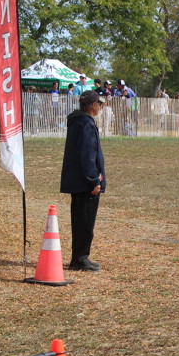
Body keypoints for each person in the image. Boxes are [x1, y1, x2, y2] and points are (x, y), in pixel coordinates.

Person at [60, 90, 107, 272]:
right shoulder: (86, 123)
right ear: (94, 105)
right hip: (85, 182)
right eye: (99, 104)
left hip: (77, 180)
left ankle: (80, 257)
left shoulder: (77, 121)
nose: (100, 107)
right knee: (85, 222)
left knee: (81, 220)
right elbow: (87, 154)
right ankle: (80, 259)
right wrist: (93, 180)